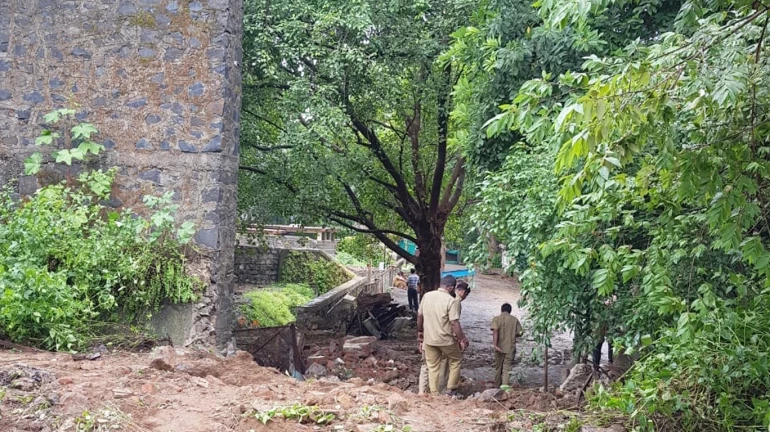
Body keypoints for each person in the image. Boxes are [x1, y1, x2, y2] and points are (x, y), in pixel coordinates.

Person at [417, 275, 469, 398]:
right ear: (451, 288)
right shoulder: (450, 301)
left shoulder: (427, 296)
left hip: (429, 340)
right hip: (446, 340)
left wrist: (420, 332)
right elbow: (454, 322)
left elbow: (419, 316)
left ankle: (434, 394)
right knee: (456, 360)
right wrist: (462, 339)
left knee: (432, 367)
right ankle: (450, 389)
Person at [491, 303, 523, 388]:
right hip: (510, 348)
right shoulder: (514, 320)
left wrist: (495, 345)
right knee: (507, 368)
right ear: (510, 311)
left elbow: (495, 331)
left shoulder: (496, 319)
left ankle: (497, 386)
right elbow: (521, 332)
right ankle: (505, 387)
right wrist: (513, 334)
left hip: (498, 347)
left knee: (498, 368)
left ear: (501, 310)